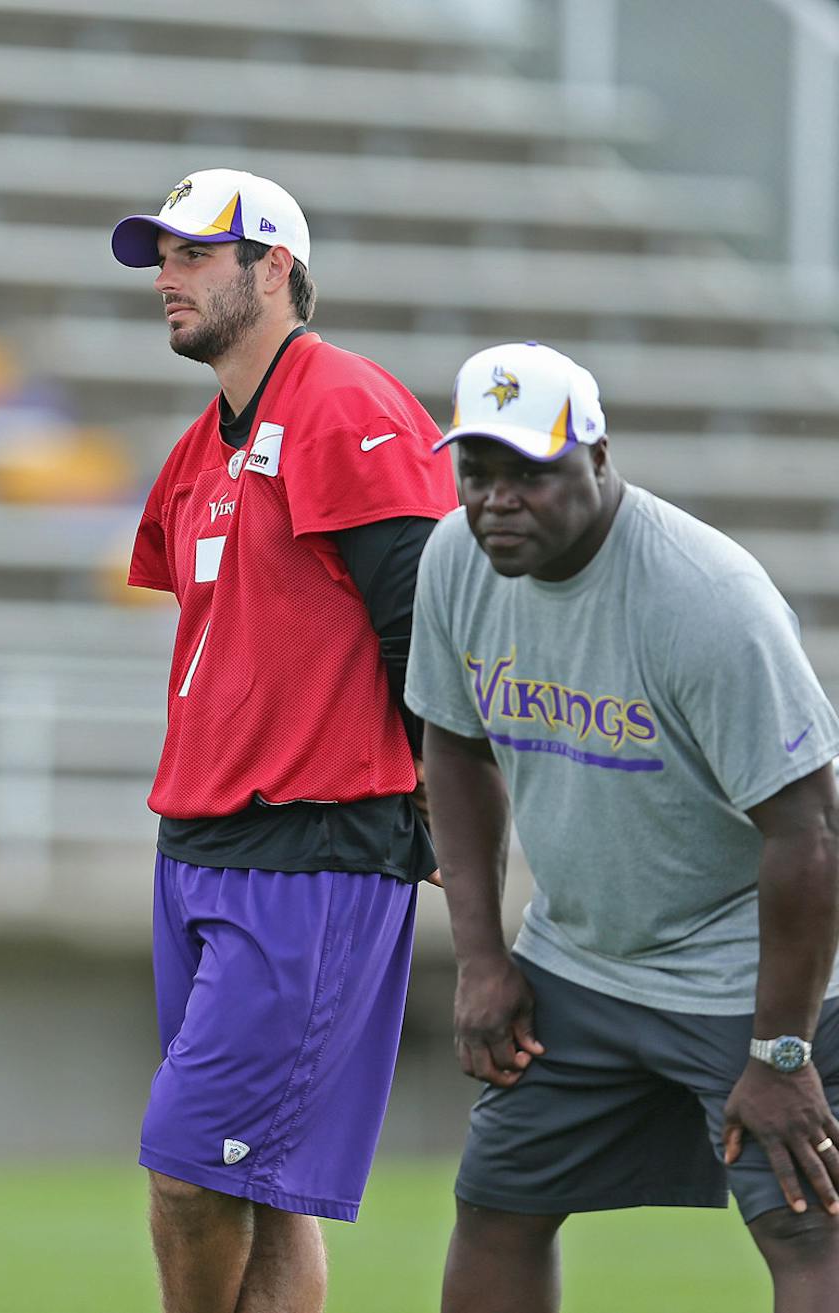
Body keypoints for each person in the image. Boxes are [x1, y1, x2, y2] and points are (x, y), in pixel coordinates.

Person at [407, 342, 839, 1313]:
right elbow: (455, 749)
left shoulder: (707, 599)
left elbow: (810, 831)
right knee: (496, 1203)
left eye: (532, 472)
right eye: (478, 471)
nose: (497, 500)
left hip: (738, 965)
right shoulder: (452, 559)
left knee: (807, 1218)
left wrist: (781, 1050)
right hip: (581, 957)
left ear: (599, 459)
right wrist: (481, 957)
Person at [113, 169, 456, 1313]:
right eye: (161, 256)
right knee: (263, 1185)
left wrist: (448, 806)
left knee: (188, 1165)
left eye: (196, 254)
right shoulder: (197, 448)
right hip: (199, 839)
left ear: (276, 268)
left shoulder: (346, 404)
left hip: (312, 848)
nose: (167, 277)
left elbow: (428, 627)